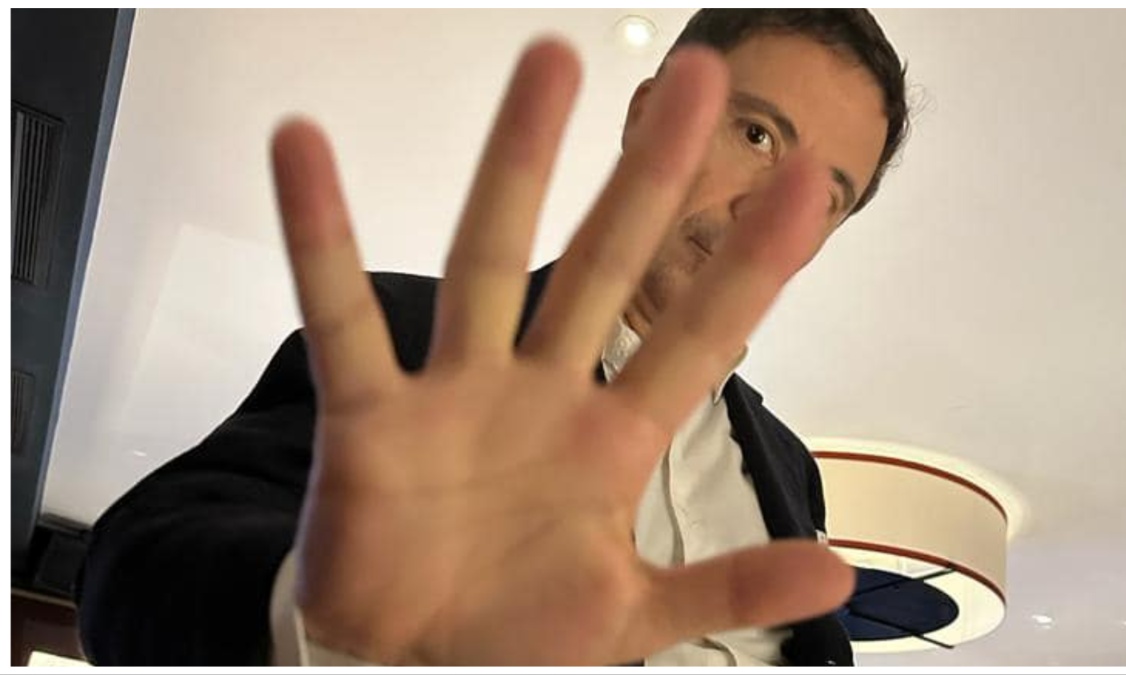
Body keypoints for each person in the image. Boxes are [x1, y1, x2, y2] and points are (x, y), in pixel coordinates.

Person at [76, 8, 909, 667]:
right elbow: (134, 570)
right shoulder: (405, 333)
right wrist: (331, 623)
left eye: (822, 197)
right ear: (650, 114)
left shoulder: (790, 467)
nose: (769, 210)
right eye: (757, 134)